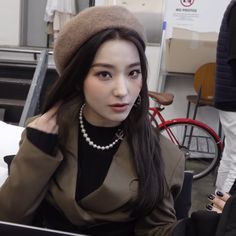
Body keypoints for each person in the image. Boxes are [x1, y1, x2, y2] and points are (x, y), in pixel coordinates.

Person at [0, 5, 185, 236]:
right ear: (78, 79)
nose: (122, 91)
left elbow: (158, 230)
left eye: (133, 73)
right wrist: (37, 149)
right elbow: (9, 219)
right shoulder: (44, 133)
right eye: (104, 74)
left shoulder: (161, 154)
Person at [215, 0, 236, 193]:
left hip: (229, 97)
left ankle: (216, 213)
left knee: (230, 156)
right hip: (233, 97)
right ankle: (225, 215)